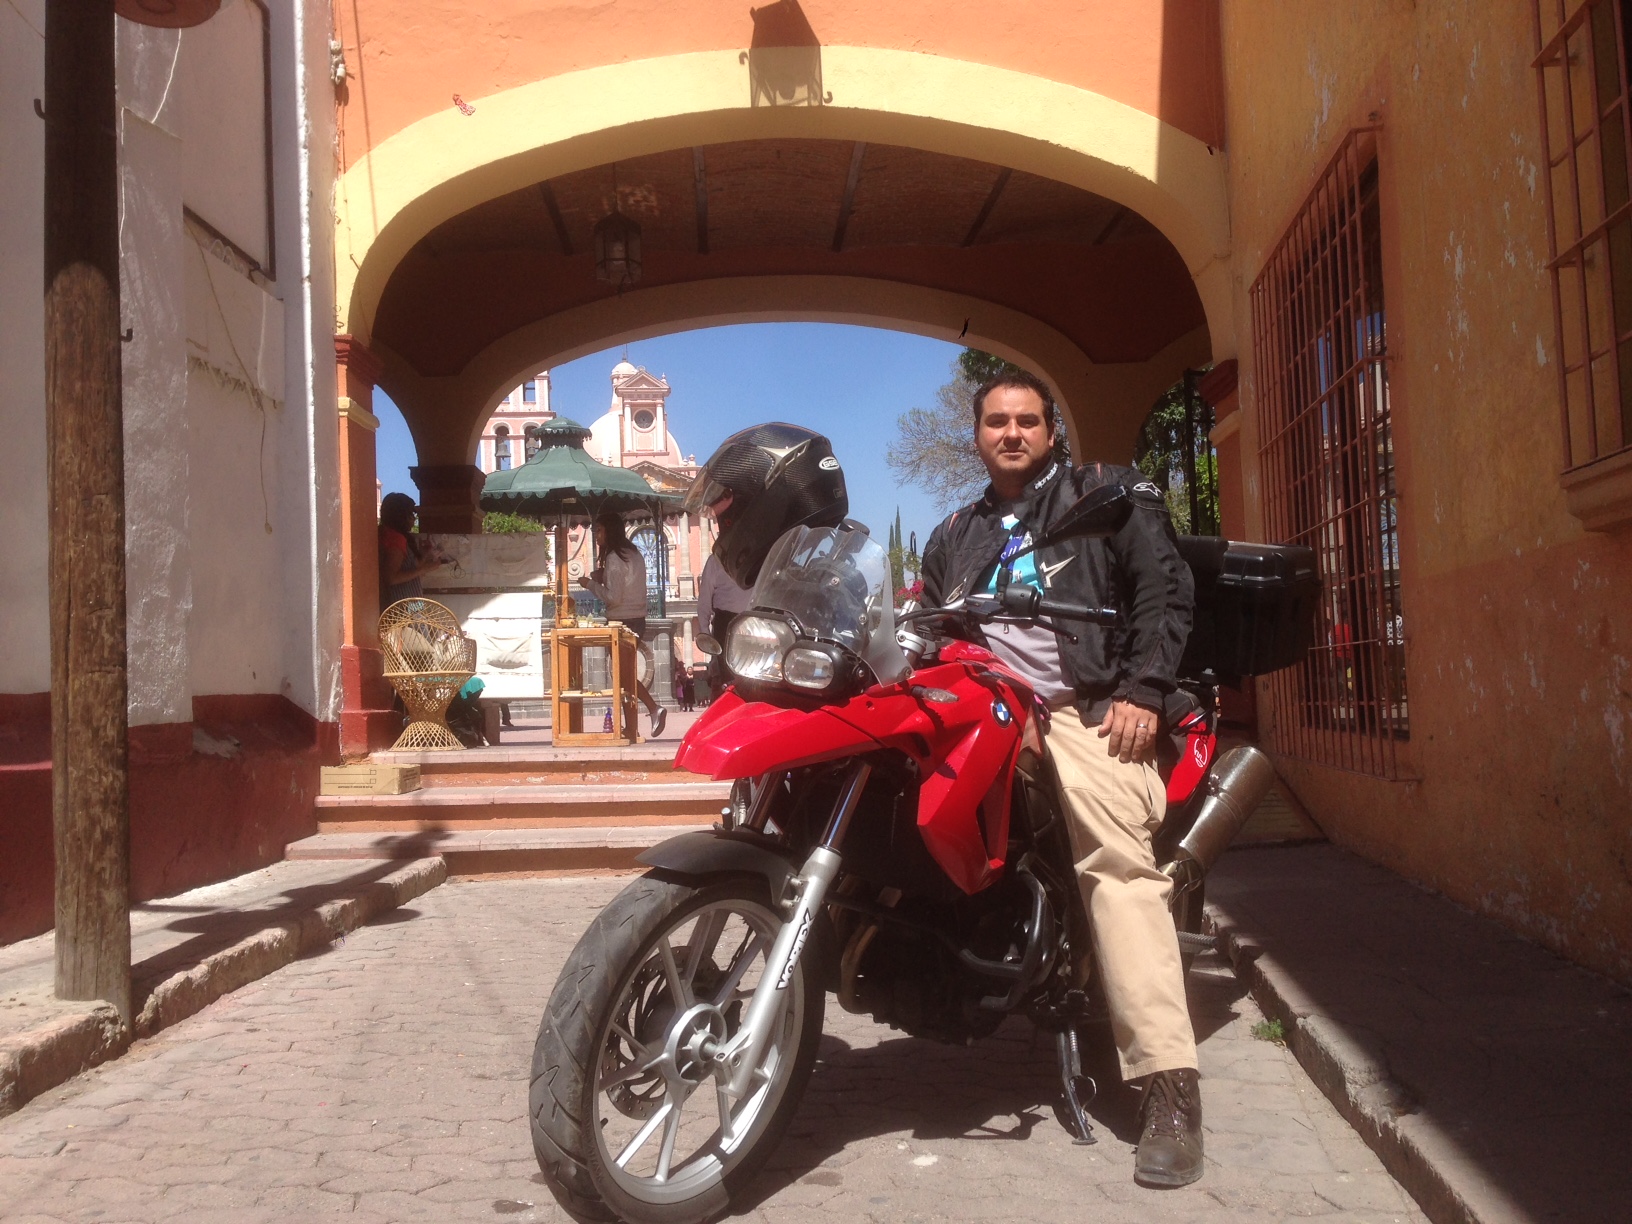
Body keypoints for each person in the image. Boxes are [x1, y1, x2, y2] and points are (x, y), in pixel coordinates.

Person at [920, 369, 1202, 1189]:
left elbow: (1164, 589)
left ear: (1051, 433)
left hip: (1086, 709)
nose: (1011, 433)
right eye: (996, 421)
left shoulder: (1103, 497)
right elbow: (932, 624)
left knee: (1117, 865)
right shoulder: (955, 532)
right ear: (977, 434)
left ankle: (1169, 1087)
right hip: (988, 709)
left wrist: (1143, 690)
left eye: (1027, 421)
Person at [577, 512, 666, 738]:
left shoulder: (614, 558)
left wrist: (590, 584)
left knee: (623, 676)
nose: (597, 535)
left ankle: (653, 708)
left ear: (610, 530)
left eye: (599, 530)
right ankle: (631, 727)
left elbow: (614, 597)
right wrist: (603, 577)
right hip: (638, 618)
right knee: (624, 675)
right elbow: (625, 584)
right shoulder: (633, 554)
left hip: (622, 620)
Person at [695, 551, 751, 696]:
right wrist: (705, 633)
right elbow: (705, 599)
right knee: (727, 680)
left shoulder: (760, 556)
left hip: (753, 621)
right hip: (725, 625)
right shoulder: (715, 560)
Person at [378, 492, 446, 610]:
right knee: (424, 617)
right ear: (401, 516)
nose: (414, 518)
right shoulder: (395, 538)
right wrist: (425, 569)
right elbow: (391, 578)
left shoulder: (386, 534)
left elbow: (408, 568)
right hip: (401, 607)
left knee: (422, 613)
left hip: (406, 604)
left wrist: (424, 555)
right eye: (411, 514)